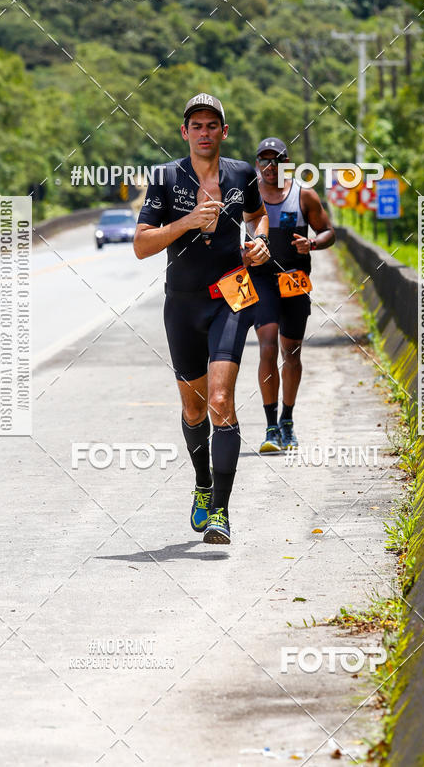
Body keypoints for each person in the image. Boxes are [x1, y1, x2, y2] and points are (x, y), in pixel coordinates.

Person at [133, 94, 270, 544]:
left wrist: (259, 243)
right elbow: (142, 244)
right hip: (183, 303)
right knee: (193, 410)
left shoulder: (242, 174)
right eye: (198, 125)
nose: (205, 132)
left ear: (223, 132)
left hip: (231, 297)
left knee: (219, 400)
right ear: (185, 132)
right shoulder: (166, 178)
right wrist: (188, 221)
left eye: (213, 125)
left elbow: (258, 216)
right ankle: (203, 485)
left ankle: (222, 515)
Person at [249, 137, 335, 453]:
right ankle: (270, 426)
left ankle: (287, 420)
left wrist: (311, 244)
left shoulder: (304, 196)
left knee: (292, 353)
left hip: (295, 281)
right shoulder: (248, 195)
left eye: (278, 160)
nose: (271, 166)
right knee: (267, 347)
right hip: (261, 281)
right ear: (258, 164)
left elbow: (328, 232)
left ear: (289, 163)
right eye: (265, 160)